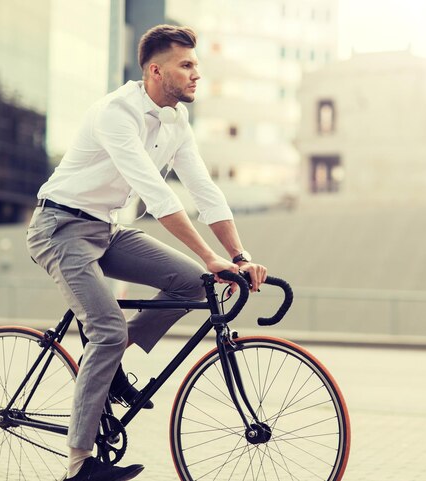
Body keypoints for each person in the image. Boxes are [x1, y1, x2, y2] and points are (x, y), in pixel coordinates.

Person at [26, 24, 267, 481]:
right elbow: (156, 195)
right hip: (59, 228)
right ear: (156, 71)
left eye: (197, 65)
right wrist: (209, 254)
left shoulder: (177, 121)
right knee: (108, 330)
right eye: (187, 65)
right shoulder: (117, 113)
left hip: (107, 229)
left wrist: (235, 256)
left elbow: (203, 190)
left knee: (193, 282)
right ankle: (78, 466)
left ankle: (112, 358)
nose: (197, 74)